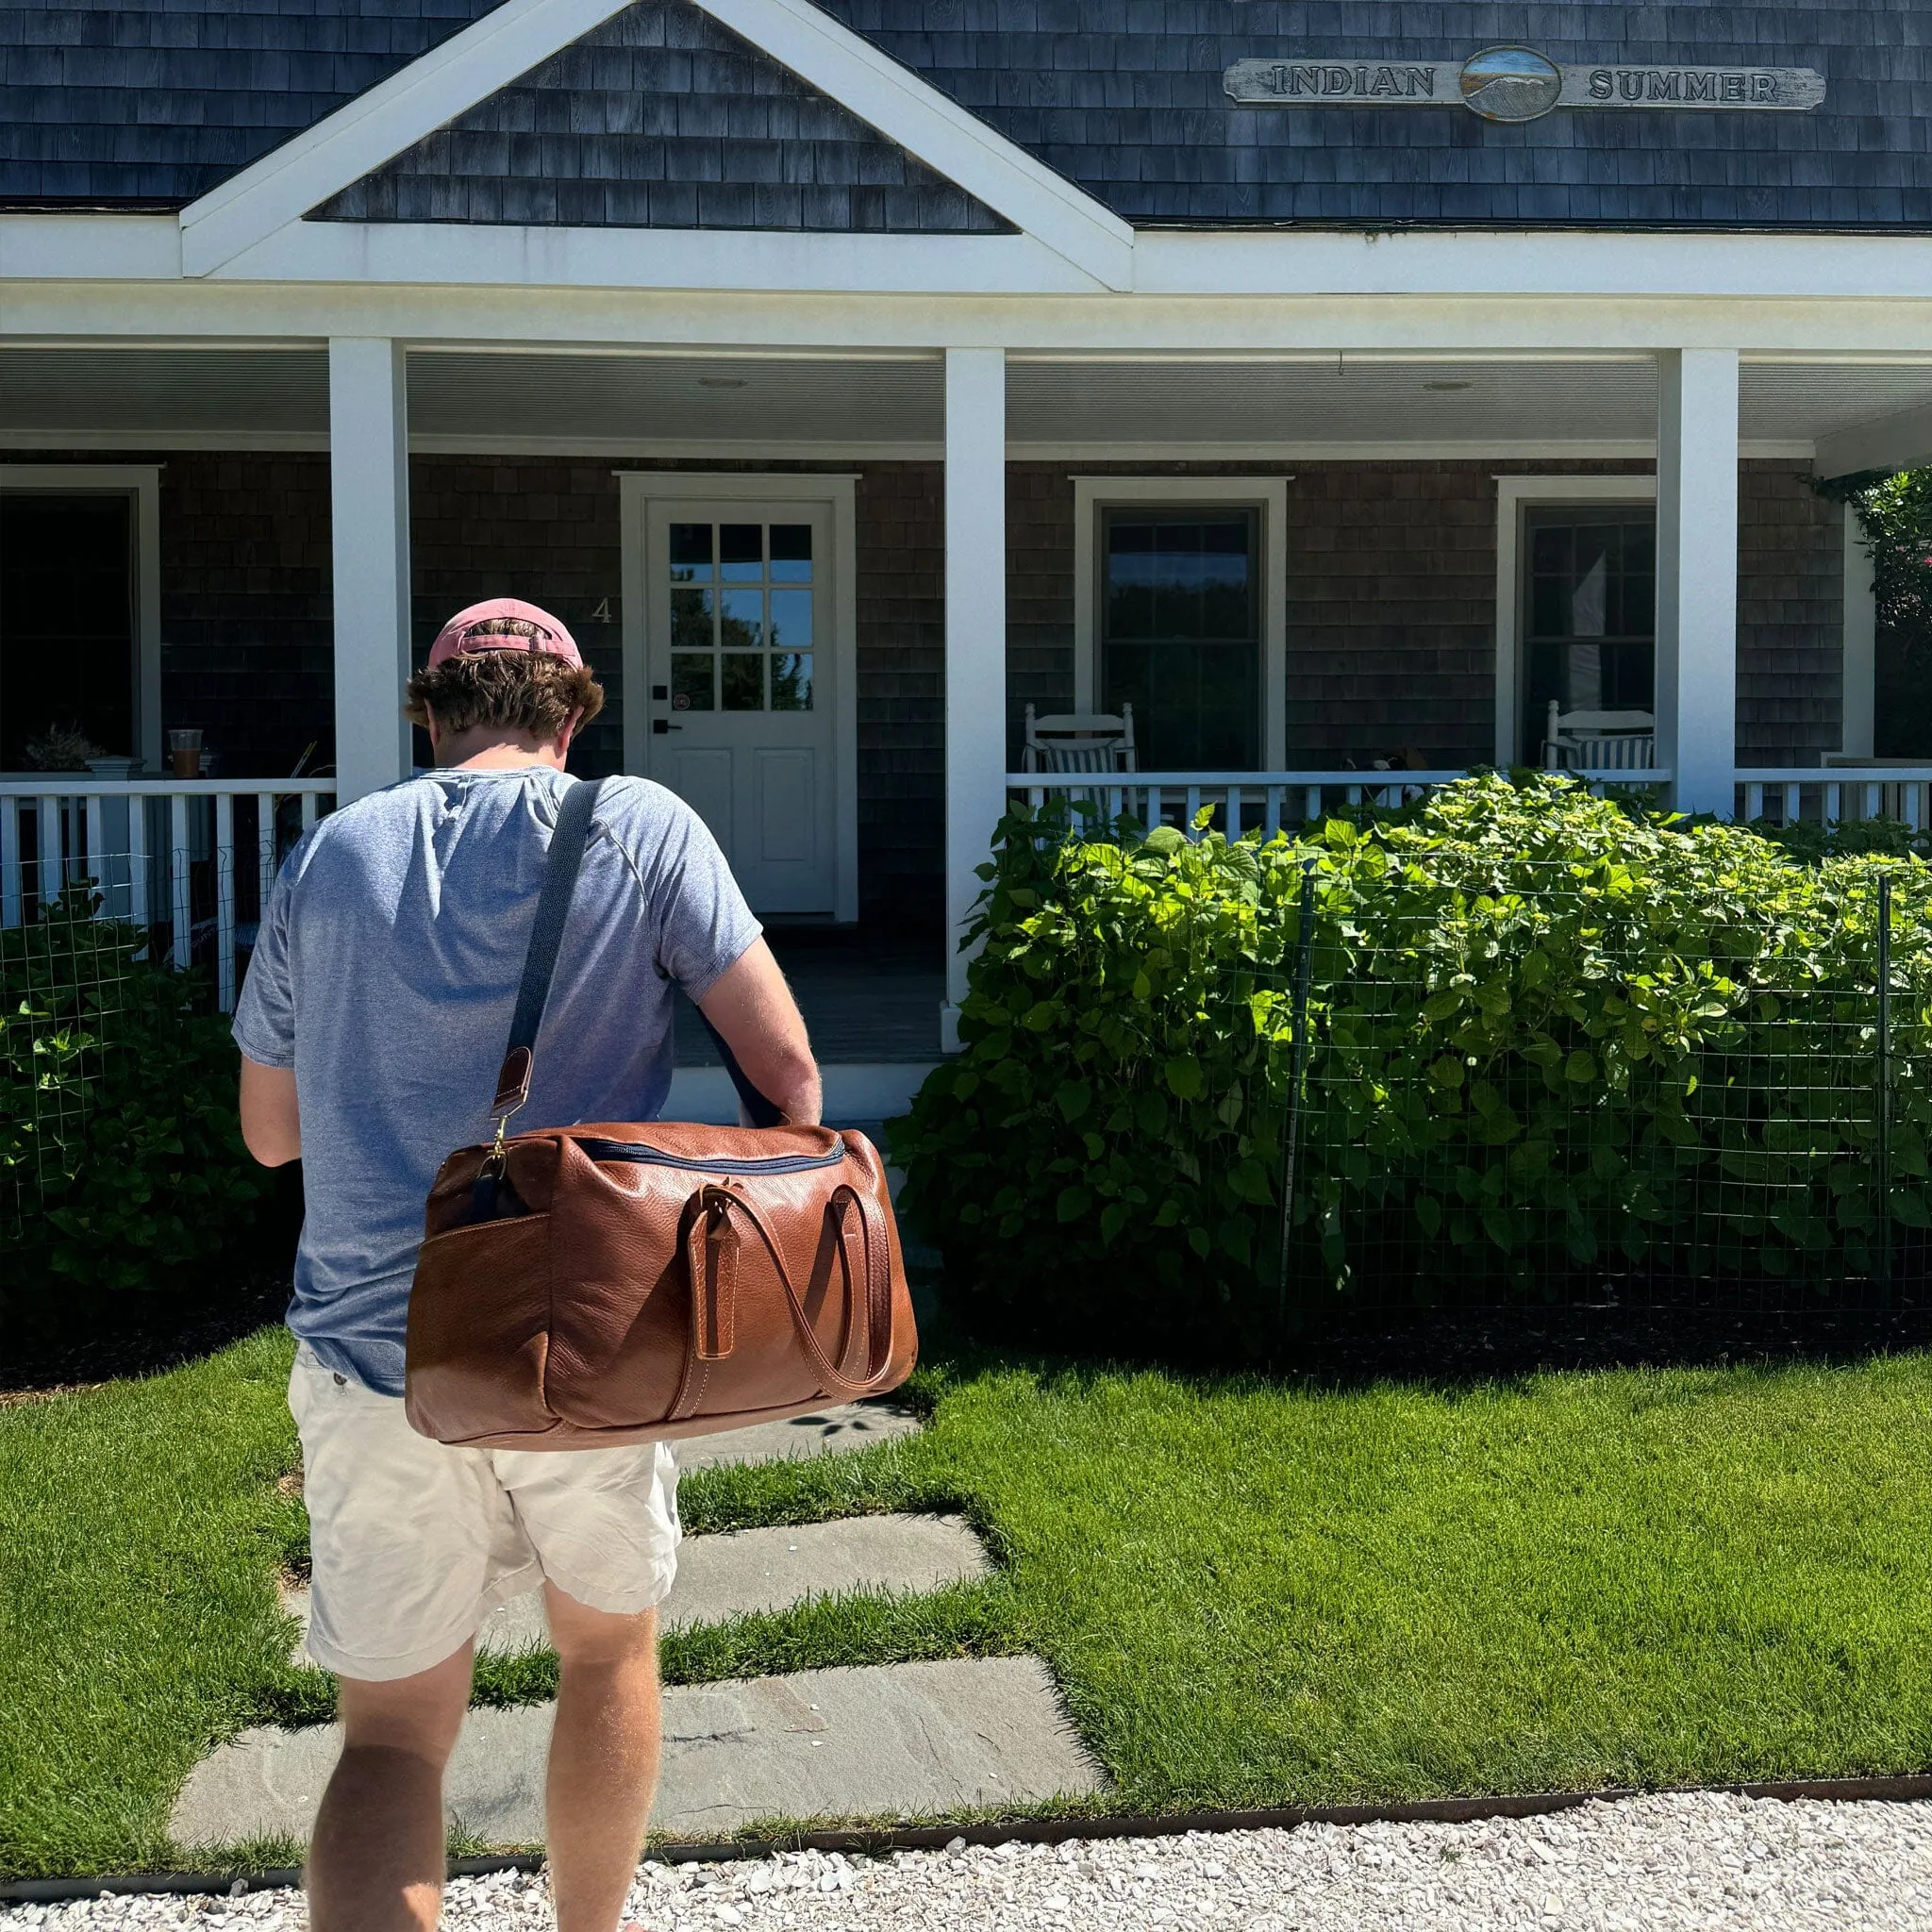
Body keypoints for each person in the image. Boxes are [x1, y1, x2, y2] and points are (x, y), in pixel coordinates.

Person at [233, 597, 819, 1932]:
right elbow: (790, 1079)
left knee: (388, 1738)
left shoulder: (329, 857)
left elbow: (271, 1138)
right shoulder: (638, 826)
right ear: (570, 718)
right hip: (589, 1347)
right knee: (606, 1653)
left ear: (432, 713)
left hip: (377, 1357)